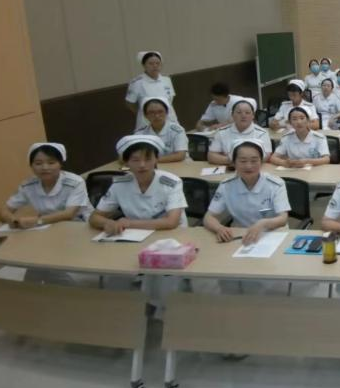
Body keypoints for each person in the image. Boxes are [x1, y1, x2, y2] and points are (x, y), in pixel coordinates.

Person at [203, 138, 291, 296]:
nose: (249, 166)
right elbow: (209, 217)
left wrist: (263, 223)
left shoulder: (275, 184)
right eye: (243, 161)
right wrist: (219, 228)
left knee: (266, 282)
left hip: (272, 236)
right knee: (227, 280)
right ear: (234, 162)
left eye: (254, 160)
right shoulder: (227, 185)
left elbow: (283, 218)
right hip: (240, 238)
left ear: (261, 161)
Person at [0, 143, 91, 284]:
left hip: (78, 227)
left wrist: (37, 221)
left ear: (60, 164)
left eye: (51, 162)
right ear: (31, 166)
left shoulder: (75, 182)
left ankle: (61, 285)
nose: (45, 167)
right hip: (48, 229)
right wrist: (12, 220)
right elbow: (4, 210)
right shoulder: (28, 185)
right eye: (38, 163)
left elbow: (69, 214)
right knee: (36, 264)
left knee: (46, 264)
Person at [89, 135, 187, 233]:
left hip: (171, 234)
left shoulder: (172, 182)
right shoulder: (119, 184)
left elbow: (171, 222)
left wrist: (129, 223)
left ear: (156, 159)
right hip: (135, 235)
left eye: (148, 159)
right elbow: (94, 217)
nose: (142, 165)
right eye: (135, 160)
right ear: (126, 163)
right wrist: (107, 223)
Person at [208, 98, 272, 165]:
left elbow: (266, 156)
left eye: (247, 113)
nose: (243, 116)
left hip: (253, 168)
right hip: (229, 167)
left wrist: (243, 162)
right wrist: (234, 161)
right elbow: (211, 156)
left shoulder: (262, 133)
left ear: (253, 115)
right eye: (239, 112)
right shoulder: (221, 132)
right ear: (232, 115)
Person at [126, 51, 177, 130]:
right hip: (148, 123)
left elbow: (170, 100)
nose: (155, 66)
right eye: (151, 63)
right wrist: (144, 113)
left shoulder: (166, 80)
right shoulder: (137, 83)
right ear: (144, 65)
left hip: (169, 119)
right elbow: (130, 103)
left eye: (157, 63)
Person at [135, 97, 187, 163]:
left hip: (177, 165)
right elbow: (131, 154)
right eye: (152, 112)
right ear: (145, 115)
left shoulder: (177, 131)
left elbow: (180, 155)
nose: (157, 116)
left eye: (160, 112)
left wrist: (151, 160)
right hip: (150, 166)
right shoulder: (140, 133)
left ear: (167, 113)